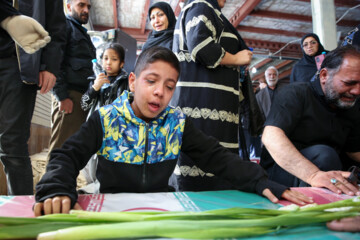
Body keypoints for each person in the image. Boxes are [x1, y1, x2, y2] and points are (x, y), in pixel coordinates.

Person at [34, 46, 312, 216]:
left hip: (162, 206)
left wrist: (261, 182)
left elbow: (216, 157)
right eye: (151, 81)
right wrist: (56, 188)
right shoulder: (105, 118)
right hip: (112, 207)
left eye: (169, 86)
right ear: (133, 81)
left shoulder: (176, 123)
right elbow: (67, 155)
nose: (159, 92)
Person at [170, 0, 253, 191]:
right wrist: (236, 58)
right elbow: (200, 47)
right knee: (204, 181)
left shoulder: (205, 8)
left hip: (207, 108)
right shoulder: (202, 5)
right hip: (204, 109)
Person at [260, 45, 360, 196]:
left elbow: (354, 150)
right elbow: (270, 137)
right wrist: (313, 175)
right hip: (283, 174)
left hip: (325, 171)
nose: (357, 91)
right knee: (325, 155)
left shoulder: (349, 106)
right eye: (349, 83)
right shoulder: (296, 94)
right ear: (324, 75)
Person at [0, 0, 66, 195]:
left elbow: (56, 24)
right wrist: (9, 17)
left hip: (18, 63)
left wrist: (50, 66)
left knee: (13, 142)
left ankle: (21, 207)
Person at [48, 0, 96, 161]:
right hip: (69, 97)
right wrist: (62, 96)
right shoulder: (65, 26)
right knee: (60, 148)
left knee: (69, 149)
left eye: (88, 7)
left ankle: (63, 185)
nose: (85, 10)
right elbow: (55, 61)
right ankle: (50, 186)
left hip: (79, 98)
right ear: (68, 7)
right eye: (81, 5)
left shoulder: (80, 32)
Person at [80, 43, 128, 191]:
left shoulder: (126, 82)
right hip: (97, 129)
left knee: (113, 162)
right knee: (92, 162)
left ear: (121, 63)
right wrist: (95, 88)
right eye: (105, 58)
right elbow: (84, 105)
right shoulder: (95, 80)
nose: (108, 62)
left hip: (117, 131)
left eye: (114, 59)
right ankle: (94, 188)